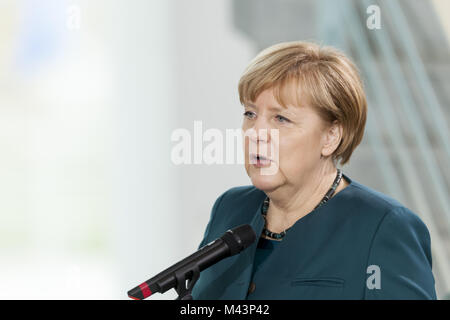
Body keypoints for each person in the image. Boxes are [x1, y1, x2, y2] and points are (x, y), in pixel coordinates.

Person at [191, 41, 436, 299]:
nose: (255, 133)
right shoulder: (230, 208)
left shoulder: (384, 227)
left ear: (330, 137)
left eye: (281, 119)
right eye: (250, 114)